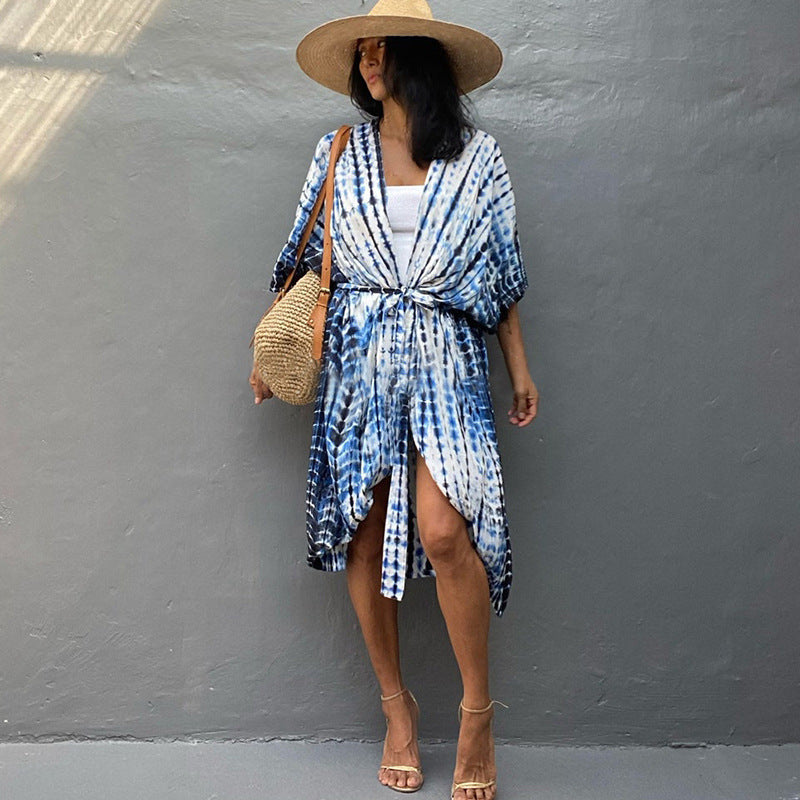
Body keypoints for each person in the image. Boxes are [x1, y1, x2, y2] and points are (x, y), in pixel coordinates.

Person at [249, 2, 539, 798]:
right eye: (363, 51)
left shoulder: (478, 159)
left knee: (446, 531)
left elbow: (502, 273)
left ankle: (478, 711)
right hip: (358, 362)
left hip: (448, 360)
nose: (369, 62)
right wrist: (268, 353)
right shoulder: (336, 152)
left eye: (383, 49)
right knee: (366, 536)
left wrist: (518, 368)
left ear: (419, 60)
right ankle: (398, 709)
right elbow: (303, 261)